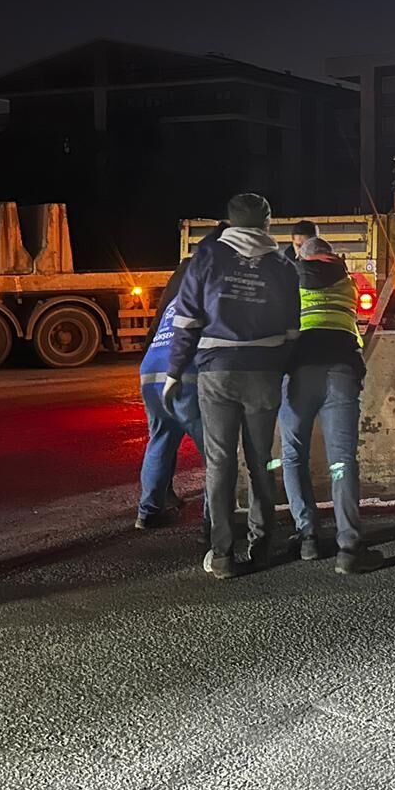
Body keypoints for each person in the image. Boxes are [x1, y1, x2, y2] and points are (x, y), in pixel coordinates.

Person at [164, 193, 300, 578]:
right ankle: (262, 548)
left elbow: (187, 320)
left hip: (217, 373)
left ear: (230, 222)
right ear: (266, 223)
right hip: (264, 374)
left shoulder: (206, 258)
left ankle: (222, 554)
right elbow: (293, 330)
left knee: (220, 464)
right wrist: (279, 368)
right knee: (262, 463)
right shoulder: (282, 265)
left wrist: (175, 371)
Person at [276, 236, 381, 574]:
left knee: (293, 454)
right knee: (342, 461)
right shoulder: (347, 282)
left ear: (301, 257)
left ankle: (307, 536)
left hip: (299, 372)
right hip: (341, 370)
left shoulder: (290, 280)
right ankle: (348, 547)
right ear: (329, 256)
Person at [134, 222, 224, 532]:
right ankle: (215, 523)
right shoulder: (219, 281)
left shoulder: (185, 280)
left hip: (151, 370)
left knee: (160, 440)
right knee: (217, 453)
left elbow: (163, 320)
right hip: (184, 374)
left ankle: (148, 512)